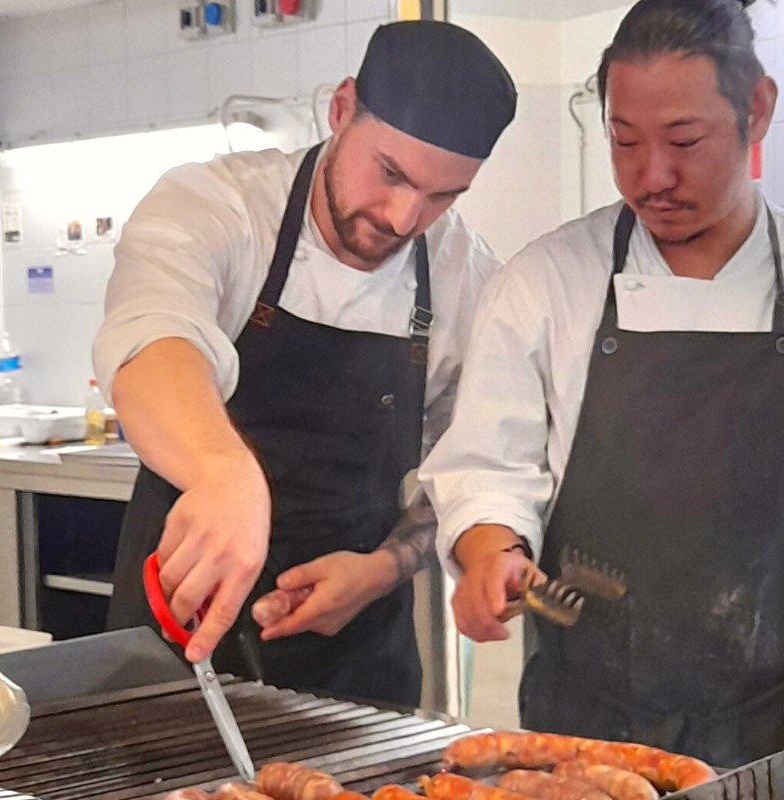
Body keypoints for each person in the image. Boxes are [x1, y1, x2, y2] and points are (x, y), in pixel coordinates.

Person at [419, 0, 784, 785]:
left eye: (684, 142)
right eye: (624, 142)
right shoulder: (544, 285)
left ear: (757, 109)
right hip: (582, 739)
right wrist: (491, 553)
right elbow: (485, 475)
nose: (651, 178)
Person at [95, 20, 516, 707]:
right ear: (342, 108)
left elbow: (470, 461)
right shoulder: (219, 207)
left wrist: (383, 569)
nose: (406, 217)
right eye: (390, 172)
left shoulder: (468, 276)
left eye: (444, 197)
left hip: (356, 653)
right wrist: (223, 473)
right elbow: (152, 342)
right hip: (179, 628)